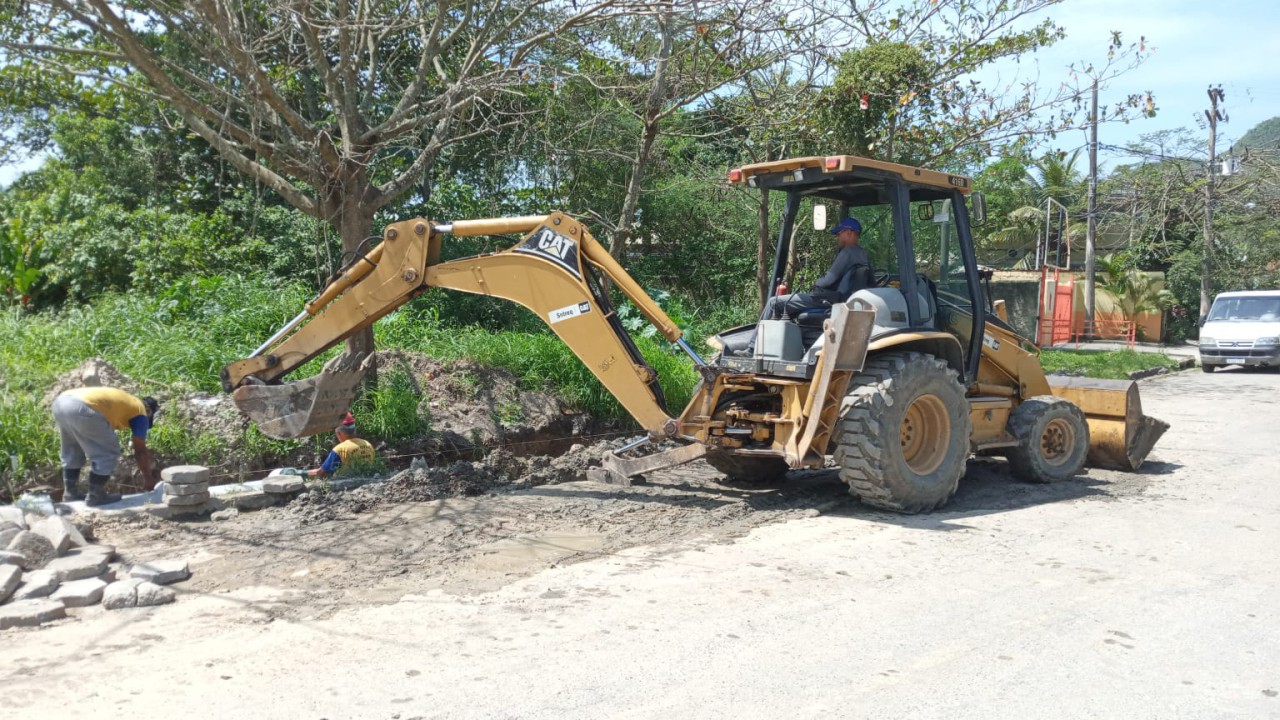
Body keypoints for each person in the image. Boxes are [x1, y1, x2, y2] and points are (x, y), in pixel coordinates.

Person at [52, 386, 159, 506]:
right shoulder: (141, 411)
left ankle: (71, 493)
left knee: (72, 449)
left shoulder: (126, 402)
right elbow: (140, 451)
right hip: (83, 407)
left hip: (61, 402)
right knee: (108, 452)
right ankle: (96, 495)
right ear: (149, 410)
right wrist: (149, 479)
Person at [766, 216, 870, 320]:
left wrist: (816, 282)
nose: (837, 237)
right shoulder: (863, 255)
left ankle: (757, 335)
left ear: (848, 232)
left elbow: (827, 281)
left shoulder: (847, 253)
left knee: (774, 302)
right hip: (845, 301)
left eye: (839, 234)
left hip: (828, 301)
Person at [307, 415, 377, 479]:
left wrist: (300, 473)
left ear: (339, 433)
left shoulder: (340, 449)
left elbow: (321, 474)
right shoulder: (368, 444)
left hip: (348, 485)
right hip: (369, 479)